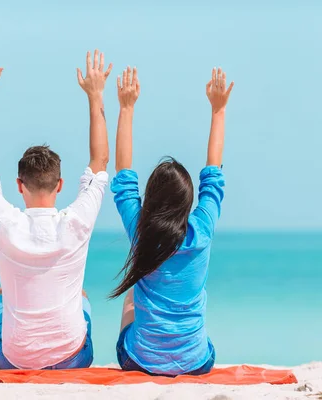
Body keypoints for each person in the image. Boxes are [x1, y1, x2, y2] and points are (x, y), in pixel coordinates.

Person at [0, 48, 112, 369]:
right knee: (82, 299)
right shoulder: (77, 223)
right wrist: (96, 94)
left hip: (13, 360)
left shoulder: (5, 223)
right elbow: (100, 162)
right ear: (60, 185)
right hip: (73, 358)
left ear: (19, 185)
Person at [110, 66, 233, 376]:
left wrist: (126, 108)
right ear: (187, 202)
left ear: (149, 200)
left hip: (139, 362)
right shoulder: (201, 230)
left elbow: (123, 178)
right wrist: (218, 111)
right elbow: (213, 174)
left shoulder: (141, 230)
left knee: (129, 300)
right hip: (197, 363)